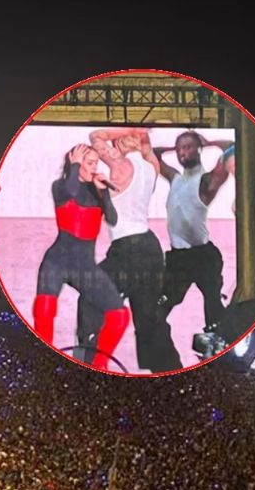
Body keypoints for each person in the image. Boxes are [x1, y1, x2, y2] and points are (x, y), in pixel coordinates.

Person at [74, 128, 181, 372]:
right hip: (150, 249)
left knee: (90, 297)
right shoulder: (150, 166)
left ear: (121, 142)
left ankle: (89, 363)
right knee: (149, 321)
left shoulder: (121, 165)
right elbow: (146, 147)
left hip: (128, 249)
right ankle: (167, 370)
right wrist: (141, 135)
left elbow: (95, 136)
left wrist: (129, 130)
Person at [34, 144, 130, 370]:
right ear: (75, 162)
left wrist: (103, 191)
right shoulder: (60, 186)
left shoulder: (95, 190)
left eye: (96, 163)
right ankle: (43, 363)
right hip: (57, 261)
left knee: (119, 315)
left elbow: (113, 219)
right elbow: (71, 191)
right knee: (44, 310)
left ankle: (99, 366)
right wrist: (76, 166)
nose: (94, 167)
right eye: (89, 162)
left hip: (84, 265)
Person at [148, 131, 235, 332]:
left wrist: (209, 142)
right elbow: (152, 154)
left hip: (203, 256)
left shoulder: (206, 181)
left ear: (199, 150)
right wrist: (174, 147)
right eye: (180, 148)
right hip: (178, 258)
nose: (183, 152)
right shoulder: (175, 179)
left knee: (213, 309)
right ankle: (158, 352)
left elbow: (232, 146)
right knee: (160, 306)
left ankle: (217, 347)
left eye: (188, 147)